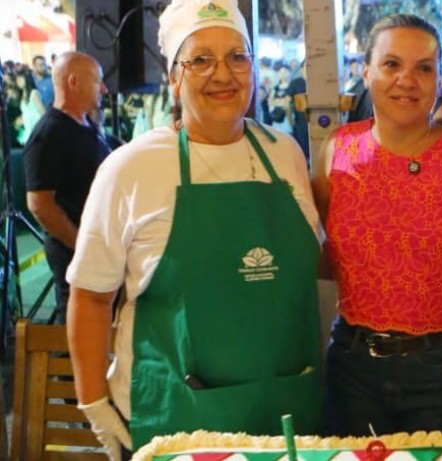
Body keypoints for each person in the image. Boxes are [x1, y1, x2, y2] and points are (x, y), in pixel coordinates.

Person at [66, 0, 323, 459]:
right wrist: (94, 403)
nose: (222, 74)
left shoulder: (285, 153)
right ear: (173, 77)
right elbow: (90, 297)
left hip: (284, 416)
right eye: (200, 59)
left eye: (237, 56)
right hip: (176, 423)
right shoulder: (130, 168)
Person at [314, 13, 442, 436]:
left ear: (440, 78)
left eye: (424, 68)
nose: (408, 79)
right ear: (366, 72)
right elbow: (324, 255)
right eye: (391, 64)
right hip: (353, 368)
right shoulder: (337, 151)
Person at [23, 52, 111, 323]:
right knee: (78, 319)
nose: (104, 88)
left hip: (98, 244)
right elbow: (39, 204)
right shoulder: (48, 134)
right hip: (74, 249)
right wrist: (80, 243)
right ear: (73, 82)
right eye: (97, 80)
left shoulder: (87, 124)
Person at [14, 69, 45, 145]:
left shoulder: (34, 93)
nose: (18, 81)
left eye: (20, 78)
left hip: (36, 129)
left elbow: (43, 113)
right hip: (28, 129)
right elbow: (26, 112)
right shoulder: (21, 95)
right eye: (17, 78)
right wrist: (20, 120)